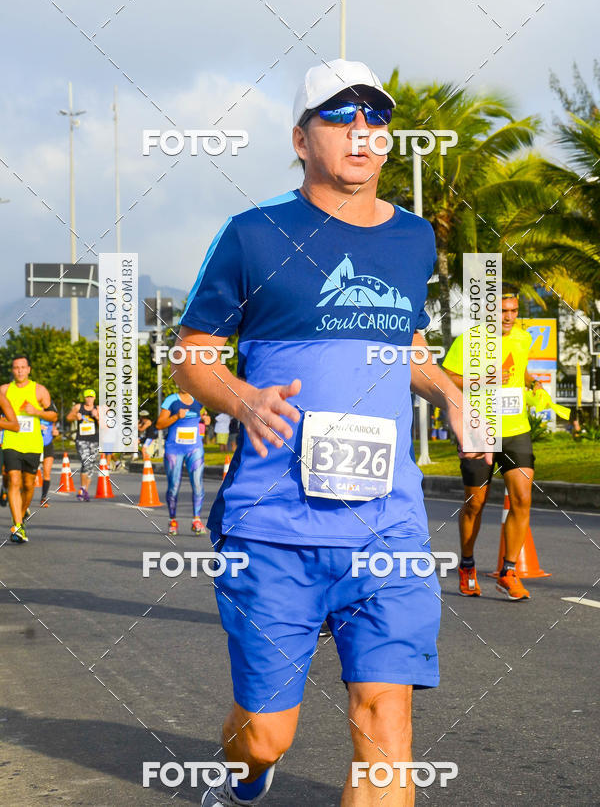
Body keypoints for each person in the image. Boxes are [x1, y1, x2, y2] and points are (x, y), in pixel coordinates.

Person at [175, 59, 488, 807]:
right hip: (274, 521)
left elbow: (406, 347)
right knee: (265, 733)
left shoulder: (414, 240)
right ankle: (244, 771)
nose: (361, 132)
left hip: (388, 522)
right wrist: (244, 400)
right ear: (300, 138)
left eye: (375, 119)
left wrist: (448, 392)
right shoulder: (253, 235)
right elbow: (193, 355)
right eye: (339, 118)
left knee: (386, 718)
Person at [443, 283, 542, 601]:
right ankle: (468, 565)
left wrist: (530, 380)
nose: (509, 317)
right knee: (475, 503)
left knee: (523, 497)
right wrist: (482, 378)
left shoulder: (523, 338)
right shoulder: (470, 339)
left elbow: (520, 366)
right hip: (478, 428)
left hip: (515, 428)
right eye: (503, 311)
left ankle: (508, 571)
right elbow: (447, 378)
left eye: (514, 310)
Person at [0, 355, 51, 542]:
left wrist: (36, 411)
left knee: (29, 485)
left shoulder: (39, 390)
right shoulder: (4, 391)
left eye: (23, 367)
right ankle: (18, 526)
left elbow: (53, 414)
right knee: (14, 480)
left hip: (33, 444)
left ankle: (19, 519)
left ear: (29, 369)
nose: (19, 370)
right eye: (16, 368)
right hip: (11, 442)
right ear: (12, 370)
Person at [155, 388, 210, 535]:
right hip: (174, 449)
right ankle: (172, 520)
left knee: (198, 484)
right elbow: (159, 424)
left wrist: (206, 419)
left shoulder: (198, 398)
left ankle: (196, 520)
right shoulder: (171, 400)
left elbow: (204, 413)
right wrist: (176, 417)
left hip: (195, 448)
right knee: (174, 485)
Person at [66, 390, 100, 502]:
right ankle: (81, 488)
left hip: (94, 440)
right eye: (87, 397)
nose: (89, 399)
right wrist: (76, 416)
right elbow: (68, 417)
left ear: (94, 398)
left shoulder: (98, 409)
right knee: (85, 461)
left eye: (91, 397)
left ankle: (84, 490)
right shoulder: (78, 407)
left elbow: (105, 426)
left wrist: (97, 417)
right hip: (81, 440)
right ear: (84, 398)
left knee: (90, 465)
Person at [39, 398, 59, 506]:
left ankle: (44, 498)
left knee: (46, 472)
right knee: (29, 476)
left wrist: (55, 432)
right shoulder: (33, 414)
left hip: (48, 445)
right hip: (34, 445)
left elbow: (54, 428)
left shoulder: (51, 415)